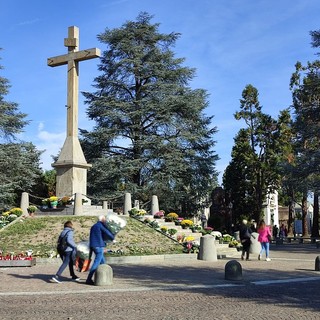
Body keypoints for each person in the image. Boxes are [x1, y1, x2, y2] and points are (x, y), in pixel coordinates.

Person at [86, 215, 115, 285]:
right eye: (105, 219)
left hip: (93, 245)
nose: (105, 221)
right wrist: (112, 237)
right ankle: (89, 279)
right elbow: (107, 233)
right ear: (102, 220)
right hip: (99, 246)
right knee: (96, 262)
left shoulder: (94, 226)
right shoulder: (100, 225)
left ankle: (106, 276)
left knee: (103, 262)